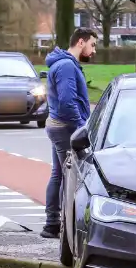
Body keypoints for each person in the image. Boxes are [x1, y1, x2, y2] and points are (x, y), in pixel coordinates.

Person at [41, 28, 98, 239]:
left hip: (58, 125)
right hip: (65, 128)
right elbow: (67, 103)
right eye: (92, 45)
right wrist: (83, 127)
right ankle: (57, 224)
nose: (93, 51)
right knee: (68, 176)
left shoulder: (65, 64)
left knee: (59, 173)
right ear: (81, 42)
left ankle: (52, 223)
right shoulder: (66, 66)